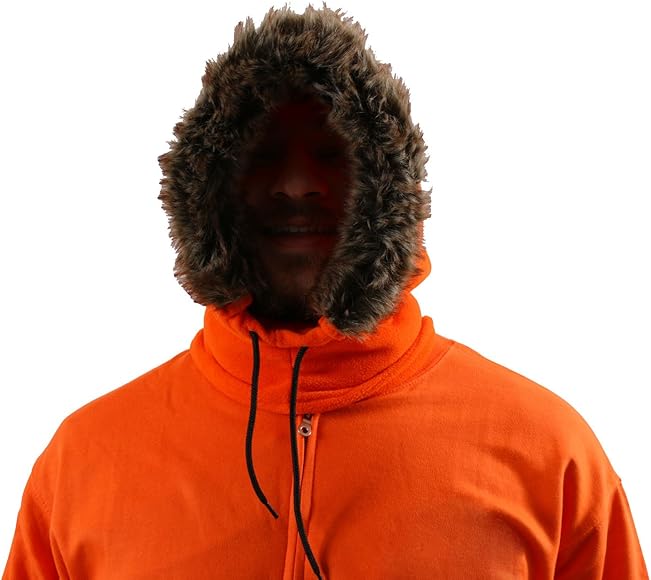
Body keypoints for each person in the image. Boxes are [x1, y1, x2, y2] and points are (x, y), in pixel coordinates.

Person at [3, 6, 648, 579]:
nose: (295, 185)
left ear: (387, 189)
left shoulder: (547, 455)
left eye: (331, 154)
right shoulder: (85, 463)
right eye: (262, 156)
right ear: (209, 192)